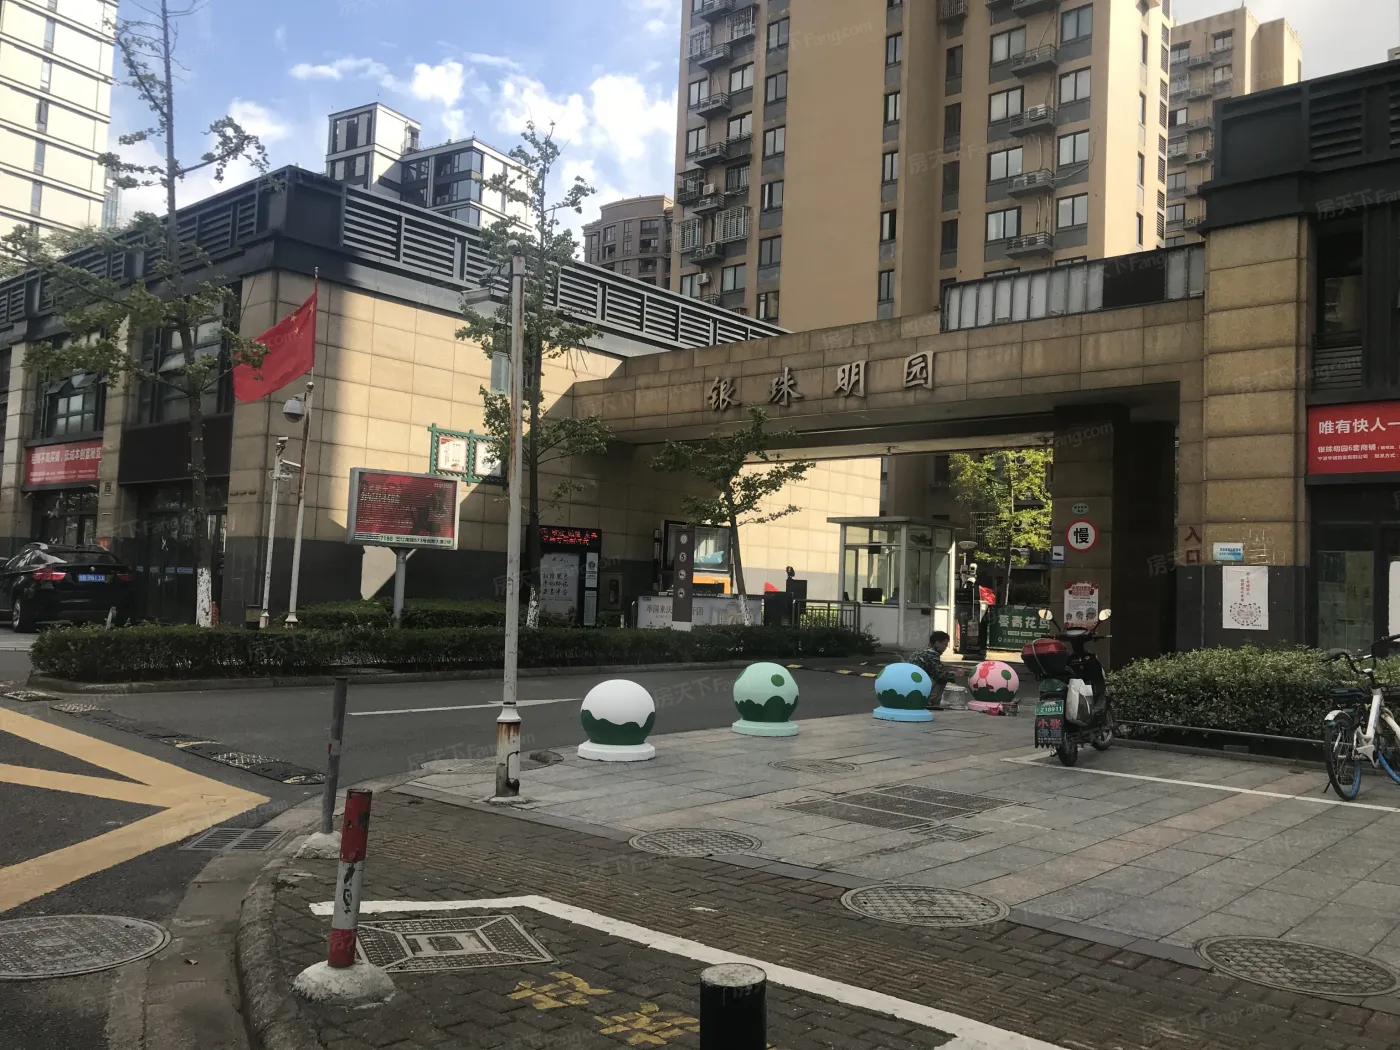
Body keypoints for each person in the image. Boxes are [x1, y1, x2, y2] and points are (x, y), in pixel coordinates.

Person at [910, 630, 965, 710]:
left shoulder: (924, 650)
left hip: (913, 681)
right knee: (941, 679)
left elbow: (937, 667)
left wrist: (951, 670)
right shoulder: (931, 653)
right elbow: (940, 674)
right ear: (937, 643)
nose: (945, 648)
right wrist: (955, 674)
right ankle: (931, 702)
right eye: (944, 644)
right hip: (916, 683)